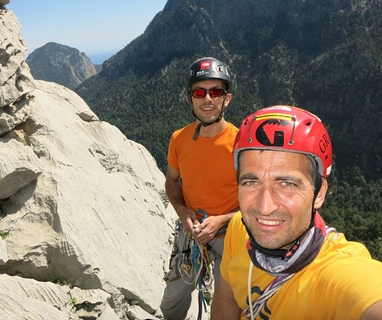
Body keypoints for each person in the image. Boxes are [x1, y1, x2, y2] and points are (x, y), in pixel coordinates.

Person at [211, 105, 382, 320]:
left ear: (319, 193)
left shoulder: (335, 275)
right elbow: (226, 297)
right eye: (251, 181)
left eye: (287, 183)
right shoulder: (239, 227)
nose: (264, 207)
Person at [160, 57, 240, 320]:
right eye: (199, 92)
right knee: (171, 304)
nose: (208, 99)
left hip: (231, 235)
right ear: (189, 99)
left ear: (226, 99)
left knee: (226, 307)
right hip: (192, 232)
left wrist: (221, 220)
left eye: (215, 92)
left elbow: (257, 200)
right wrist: (183, 212)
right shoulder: (179, 139)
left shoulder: (241, 145)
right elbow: (172, 181)